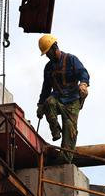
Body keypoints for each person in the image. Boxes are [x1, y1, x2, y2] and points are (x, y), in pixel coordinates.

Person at [35, 35, 89, 163]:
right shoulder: (48, 68)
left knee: (69, 129)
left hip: (72, 102)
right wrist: (40, 105)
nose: (48, 56)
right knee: (49, 102)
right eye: (46, 54)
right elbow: (46, 88)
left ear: (55, 48)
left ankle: (64, 160)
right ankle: (55, 131)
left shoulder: (71, 59)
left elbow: (83, 72)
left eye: (48, 53)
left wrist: (83, 84)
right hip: (58, 99)